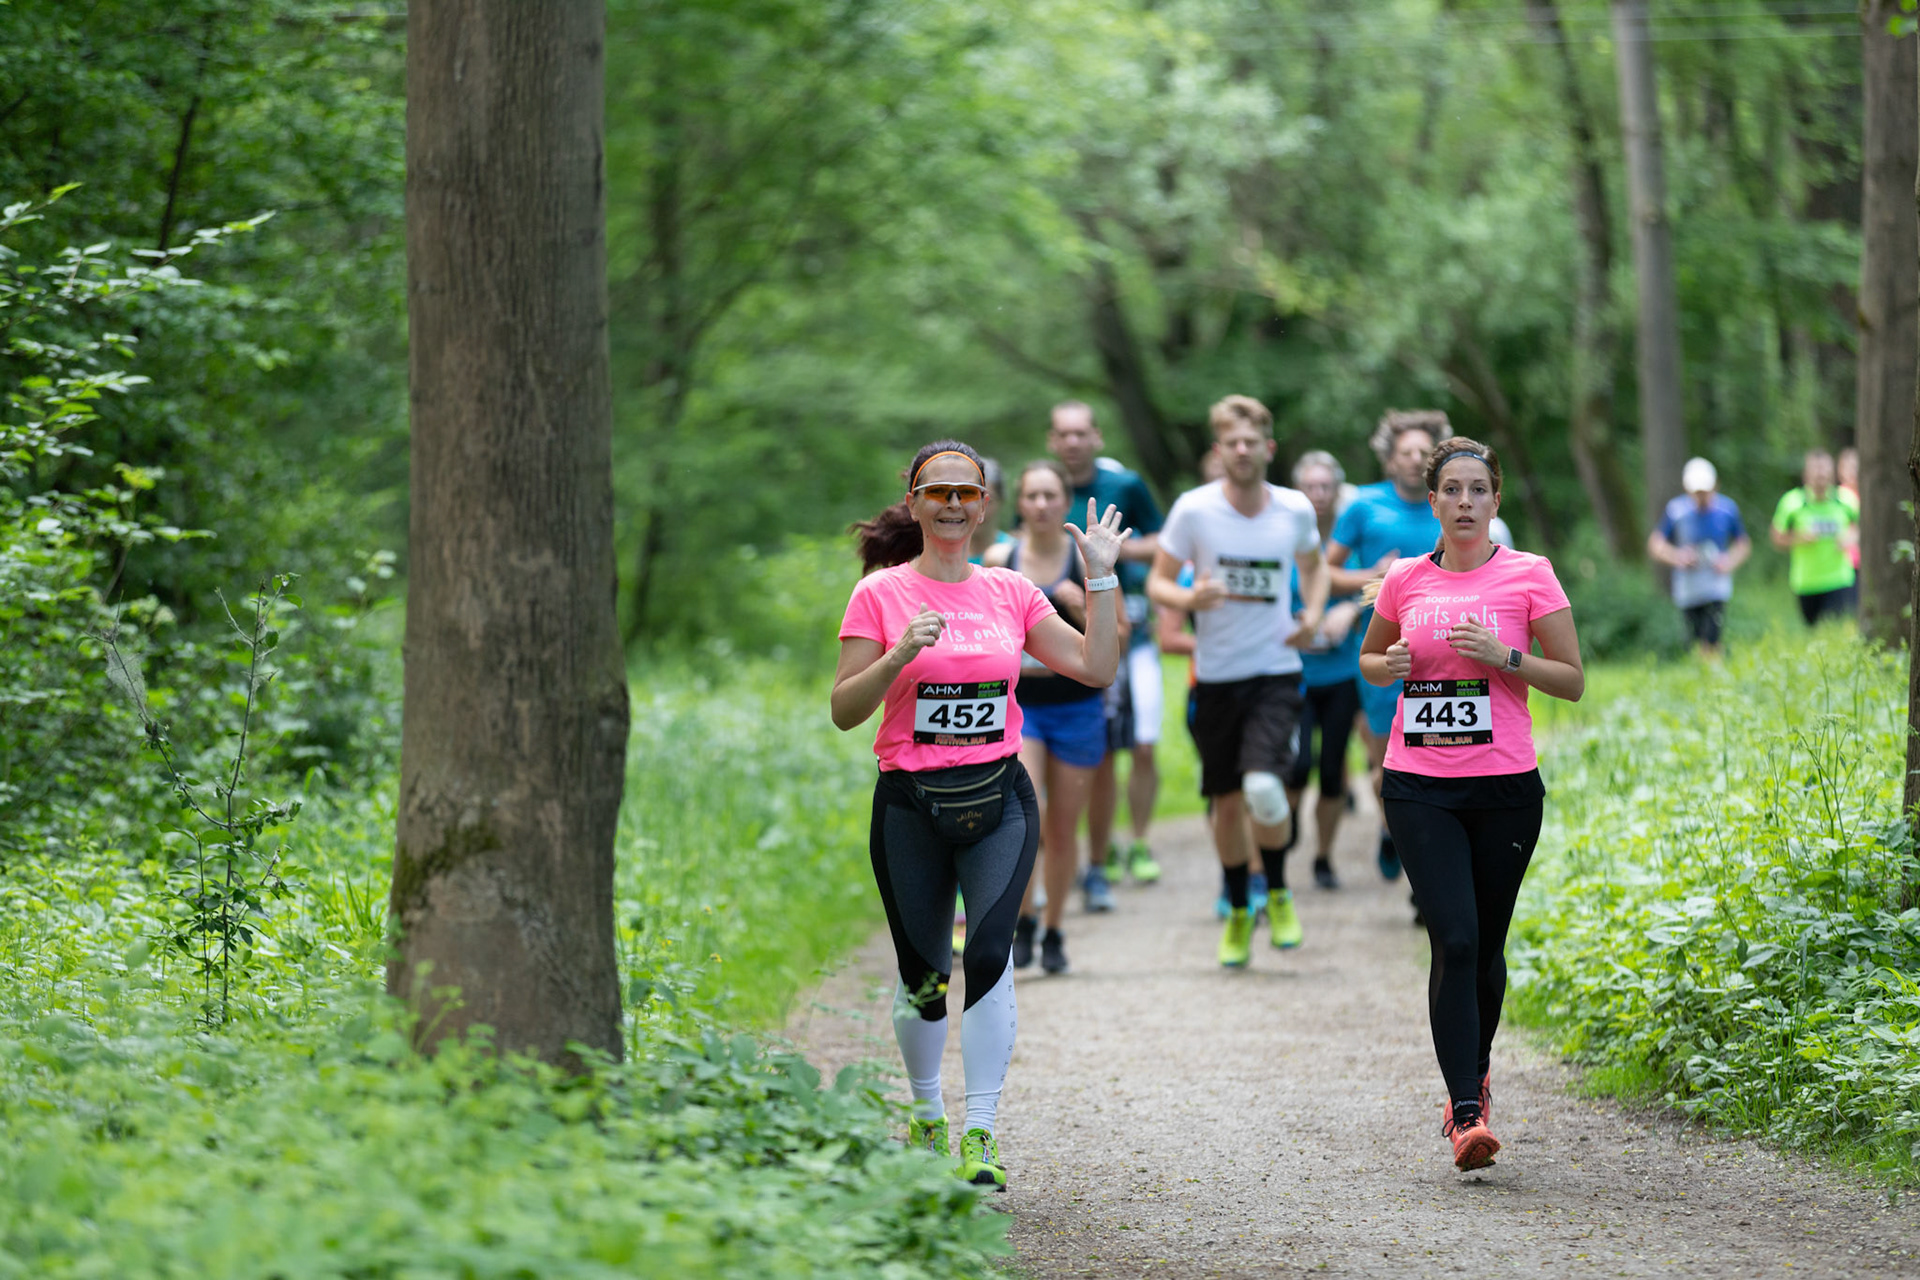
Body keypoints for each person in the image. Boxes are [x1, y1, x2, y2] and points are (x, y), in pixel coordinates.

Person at [834, 440, 1127, 1190]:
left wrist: (1101, 575)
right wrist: (896, 656)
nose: (954, 505)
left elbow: (1095, 668)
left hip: (997, 797)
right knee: (924, 975)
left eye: (967, 492)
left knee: (991, 957)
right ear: (914, 501)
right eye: (939, 493)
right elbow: (843, 711)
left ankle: (981, 1133)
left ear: (984, 503)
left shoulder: (1011, 592)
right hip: (910, 803)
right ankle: (927, 1112)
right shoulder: (881, 595)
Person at [1358, 436, 1585, 1173]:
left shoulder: (1530, 575)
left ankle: (1475, 1072)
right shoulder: (1403, 578)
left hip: (1506, 789)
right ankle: (1464, 1112)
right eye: (1450, 490)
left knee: (1485, 946)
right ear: (1432, 501)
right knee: (1452, 939)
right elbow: (1371, 655)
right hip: (1419, 786)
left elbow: (1572, 679)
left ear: (1495, 501)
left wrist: (1503, 658)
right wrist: (1385, 665)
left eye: (1477, 490)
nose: (1463, 502)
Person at [1147, 394, 1329, 965]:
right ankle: (1238, 906)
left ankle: (1275, 890)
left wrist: (1315, 616)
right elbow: (1158, 583)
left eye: (1253, 441)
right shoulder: (1194, 510)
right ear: (1219, 450)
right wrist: (1188, 595)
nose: (1243, 450)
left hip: (1275, 671)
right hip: (1216, 679)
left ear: (1268, 449)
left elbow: (1315, 567)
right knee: (1226, 806)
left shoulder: (1294, 509)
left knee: (1265, 790)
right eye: (1233, 442)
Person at [985, 460, 1124, 976]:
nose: (1041, 505)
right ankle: (1023, 919)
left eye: (1050, 495)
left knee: (1064, 830)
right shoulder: (1001, 558)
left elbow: (1120, 641)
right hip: (1022, 707)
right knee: (1027, 817)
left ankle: (1056, 928)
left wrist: (1082, 604)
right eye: (1032, 496)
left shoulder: (1087, 558)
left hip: (1077, 707)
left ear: (1065, 500)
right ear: (1019, 503)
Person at [1327, 410, 1451, 890]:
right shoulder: (1363, 506)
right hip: (1385, 648)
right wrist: (1374, 578)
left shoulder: (1450, 505)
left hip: (1442, 652)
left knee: (1438, 753)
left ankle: (1426, 862)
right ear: (1389, 457)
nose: (1415, 459)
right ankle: (1389, 827)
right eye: (1406, 452)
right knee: (1386, 762)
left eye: (1424, 452)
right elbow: (1327, 572)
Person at [1047, 402, 1165, 899]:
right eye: (1063, 435)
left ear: (1096, 437)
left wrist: (1106, 553)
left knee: (1139, 742)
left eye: (1081, 433)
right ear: (1053, 441)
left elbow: (1162, 542)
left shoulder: (1126, 486)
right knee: (1091, 755)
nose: (1072, 442)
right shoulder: (1045, 490)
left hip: (1128, 631)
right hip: (1060, 638)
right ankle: (1079, 856)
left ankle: (1134, 841)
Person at [1285, 451, 1364, 891]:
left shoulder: (1350, 536)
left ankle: (1323, 856)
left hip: (1341, 674)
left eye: (1325, 487)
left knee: (1332, 771)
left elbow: (1383, 581)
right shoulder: (1283, 533)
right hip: (1293, 673)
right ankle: (1290, 820)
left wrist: (1350, 610)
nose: (1317, 495)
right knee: (1297, 767)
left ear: (1338, 491)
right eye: (1309, 487)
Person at [1647, 457, 1750, 659]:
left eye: (1705, 491)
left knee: (1712, 635)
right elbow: (1655, 544)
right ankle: (1706, 673)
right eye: (1697, 492)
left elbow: (1743, 544)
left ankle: (1713, 672)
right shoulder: (1676, 511)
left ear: (1715, 486)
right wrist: (1677, 557)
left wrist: (1729, 562)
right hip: (1688, 587)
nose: (1701, 497)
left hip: (1716, 584)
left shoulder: (1727, 509)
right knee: (1694, 639)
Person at [1770, 449, 1859, 626]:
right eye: (1816, 469)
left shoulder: (1846, 500)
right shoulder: (1792, 502)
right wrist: (1797, 538)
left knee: (1835, 629)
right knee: (1815, 632)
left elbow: (1863, 527)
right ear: (1806, 473)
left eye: (1824, 469)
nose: (1821, 474)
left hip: (1840, 579)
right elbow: (1776, 537)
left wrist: (1851, 537)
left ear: (1832, 472)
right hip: (1806, 582)